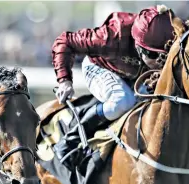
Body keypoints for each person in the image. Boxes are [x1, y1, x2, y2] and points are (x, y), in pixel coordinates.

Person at [52, 5, 175, 166]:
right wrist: (65, 80)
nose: (159, 62)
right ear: (138, 45)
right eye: (153, 55)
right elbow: (64, 41)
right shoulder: (110, 36)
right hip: (99, 66)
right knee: (123, 101)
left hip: (133, 75)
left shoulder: (172, 33)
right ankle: (71, 139)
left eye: (164, 56)